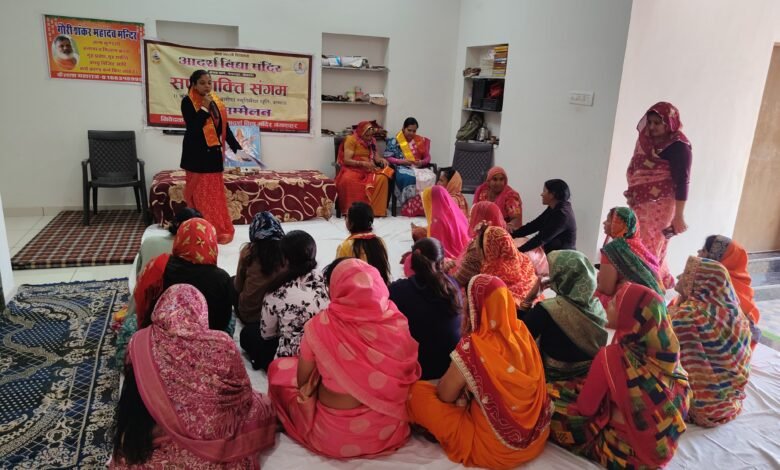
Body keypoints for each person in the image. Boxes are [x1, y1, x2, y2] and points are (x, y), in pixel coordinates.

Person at [267, 258, 421, 459]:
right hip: (390, 430)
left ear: (336, 289)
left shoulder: (318, 326)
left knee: (279, 369)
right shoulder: (396, 322)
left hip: (334, 436)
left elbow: (303, 382)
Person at [111, 285, 276, 468]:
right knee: (263, 406)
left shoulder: (140, 341)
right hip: (213, 435)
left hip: (156, 428)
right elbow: (242, 395)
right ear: (200, 311)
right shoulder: (221, 342)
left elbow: (135, 395)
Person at [406, 275, 551, 469]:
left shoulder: (475, 346)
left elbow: (445, 395)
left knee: (416, 393)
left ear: (475, 308)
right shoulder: (522, 333)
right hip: (535, 438)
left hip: (493, 451)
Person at [548, 283, 691, 469]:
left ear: (630, 317)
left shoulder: (612, 357)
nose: (608, 304)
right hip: (662, 447)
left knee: (549, 401)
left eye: (615, 303)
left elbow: (586, 409)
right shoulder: (668, 354)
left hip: (623, 454)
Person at [115, 218, 235, 367]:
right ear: (211, 242)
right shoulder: (222, 278)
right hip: (204, 347)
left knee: (130, 324)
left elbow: (143, 308)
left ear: (179, 239)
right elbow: (222, 322)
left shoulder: (158, 266)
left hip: (161, 343)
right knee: (231, 318)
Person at [668, 256, 752, 427]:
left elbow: (661, 344)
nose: (679, 277)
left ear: (701, 283)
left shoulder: (689, 316)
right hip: (727, 403)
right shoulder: (734, 312)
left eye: (686, 274)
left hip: (701, 405)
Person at [624, 102, 692, 288]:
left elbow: (682, 182)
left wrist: (679, 216)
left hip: (660, 205)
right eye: (650, 122)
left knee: (649, 245)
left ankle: (647, 289)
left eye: (657, 123)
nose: (652, 127)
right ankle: (638, 286)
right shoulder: (646, 142)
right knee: (634, 241)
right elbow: (637, 168)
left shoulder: (679, 146)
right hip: (640, 203)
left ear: (669, 122)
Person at [242, 231, 329, 371]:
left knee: (248, 333)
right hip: (325, 349)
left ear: (285, 259)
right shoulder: (326, 279)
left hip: (293, 359)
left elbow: (267, 334)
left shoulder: (276, 292)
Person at [518, 250, 608, 381]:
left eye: (553, 272)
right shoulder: (597, 307)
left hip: (553, 375)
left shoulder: (548, 309)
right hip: (587, 373)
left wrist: (528, 300)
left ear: (561, 278)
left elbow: (519, 336)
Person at [181, 69, 242, 244]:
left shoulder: (216, 101)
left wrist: (237, 149)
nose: (207, 86)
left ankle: (217, 228)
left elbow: (224, 128)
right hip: (196, 158)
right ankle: (201, 231)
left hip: (213, 157)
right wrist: (204, 108)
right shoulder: (187, 102)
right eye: (202, 83)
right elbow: (193, 128)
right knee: (200, 197)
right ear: (194, 85)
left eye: (209, 82)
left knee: (214, 197)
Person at [389, 238, 462, 380]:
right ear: (442, 263)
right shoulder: (452, 285)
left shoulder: (398, 290)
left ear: (412, 263)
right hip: (452, 366)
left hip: (420, 369)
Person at [596, 207, 664, 308]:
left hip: (631, 306)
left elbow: (606, 289)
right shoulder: (639, 246)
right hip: (653, 307)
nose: (604, 223)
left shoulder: (613, 249)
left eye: (609, 220)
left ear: (619, 225)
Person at [405, 186, 470, 277]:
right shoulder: (452, 210)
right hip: (465, 252)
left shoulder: (437, 220)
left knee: (410, 261)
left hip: (451, 259)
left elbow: (436, 250)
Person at [235, 212, 286, 324]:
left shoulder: (248, 252)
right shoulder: (286, 252)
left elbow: (238, 286)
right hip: (277, 317)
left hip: (249, 316)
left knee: (230, 281)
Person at [699, 235, 761, 327]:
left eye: (704, 251)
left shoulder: (719, 285)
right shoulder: (739, 287)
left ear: (714, 258)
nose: (699, 253)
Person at [335, 121, 391, 217]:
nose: (369, 138)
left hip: (369, 169)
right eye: (367, 135)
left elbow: (376, 158)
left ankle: (375, 211)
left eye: (371, 135)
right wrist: (363, 163)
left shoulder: (372, 141)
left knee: (383, 179)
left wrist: (382, 160)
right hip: (352, 168)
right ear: (361, 132)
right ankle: (352, 211)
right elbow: (347, 160)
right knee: (347, 179)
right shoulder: (351, 139)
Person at [384, 117, 436, 216]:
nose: (411, 133)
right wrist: (401, 161)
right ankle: (409, 208)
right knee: (409, 177)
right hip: (401, 167)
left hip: (418, 168)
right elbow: (388, 157)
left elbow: (427, 157)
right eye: (409, 130)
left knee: (431, 176)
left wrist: (422, 162)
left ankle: (423, 208)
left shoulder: (419, 141)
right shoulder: (395, 141)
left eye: (414, 131)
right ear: (403, 128)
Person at [512, 179, 576, 254]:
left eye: (544, 191)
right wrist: (511, 235)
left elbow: (541, 238)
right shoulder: (554, 208)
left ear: (552, 194)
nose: (541, 194)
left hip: (561, 256)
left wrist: (518, 251)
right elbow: (534, 225)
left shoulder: (562, 214)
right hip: (551, 251)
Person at [479, 226, 538, 307]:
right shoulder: (525, 259)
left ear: (491, 246)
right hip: (534, 305)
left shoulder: (492, 269)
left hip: (509, 310)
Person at [336, 202, 391, 284]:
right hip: (380, 289)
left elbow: (338, 276)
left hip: (355, 290)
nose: (345, 219)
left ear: (352, 223)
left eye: (346, 217)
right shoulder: (380, 242)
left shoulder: (345, 246)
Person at [452, 201, 505, 287]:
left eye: (472, 216)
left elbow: (457, 281)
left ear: (480, 219)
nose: (468, 219)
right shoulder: (503, 239)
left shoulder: (477, 248)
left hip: (473, 289)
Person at [472, 166, 522, 231]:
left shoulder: (511, 196)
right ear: (488, 181)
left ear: (505, 181)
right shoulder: (482, 192)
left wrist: (508, 226)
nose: (498, 183)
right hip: (483, 229)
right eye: (495, 179)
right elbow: (476, 213)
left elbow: (516, 218)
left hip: (503, 231)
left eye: (501, 179)